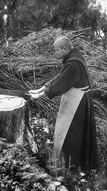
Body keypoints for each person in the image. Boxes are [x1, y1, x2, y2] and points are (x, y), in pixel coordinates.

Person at [29, 37, 98, 172]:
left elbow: (61, 83)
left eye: (56, 50)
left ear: (65, 49)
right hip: (78, 100)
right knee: (75, 134)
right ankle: (75, 167)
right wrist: (41, 89)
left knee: (71, 134)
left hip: (77, 104)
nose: (55, 53)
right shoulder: (73, 60)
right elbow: (59, 77)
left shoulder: (73, 64)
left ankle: (70, 167)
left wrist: (39, 96)